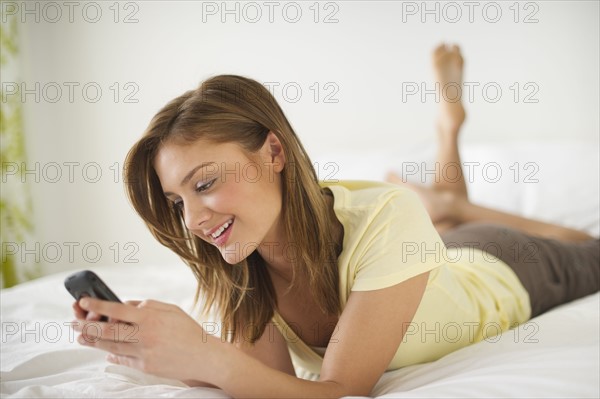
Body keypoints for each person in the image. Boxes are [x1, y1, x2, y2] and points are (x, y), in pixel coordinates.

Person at [71, 44, 599, 398]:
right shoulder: (238, 265)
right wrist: (174, 352)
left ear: (274, 151)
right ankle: (449, 182)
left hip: (501, 268)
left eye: (205, 183)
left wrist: (206, 356)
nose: (194, 221)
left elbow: (342, 390)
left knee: (584, 242)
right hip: (429, 260)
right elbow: (273, 385)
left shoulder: (389, 213)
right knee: (438, 227)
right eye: (178, 202)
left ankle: (451, 180)